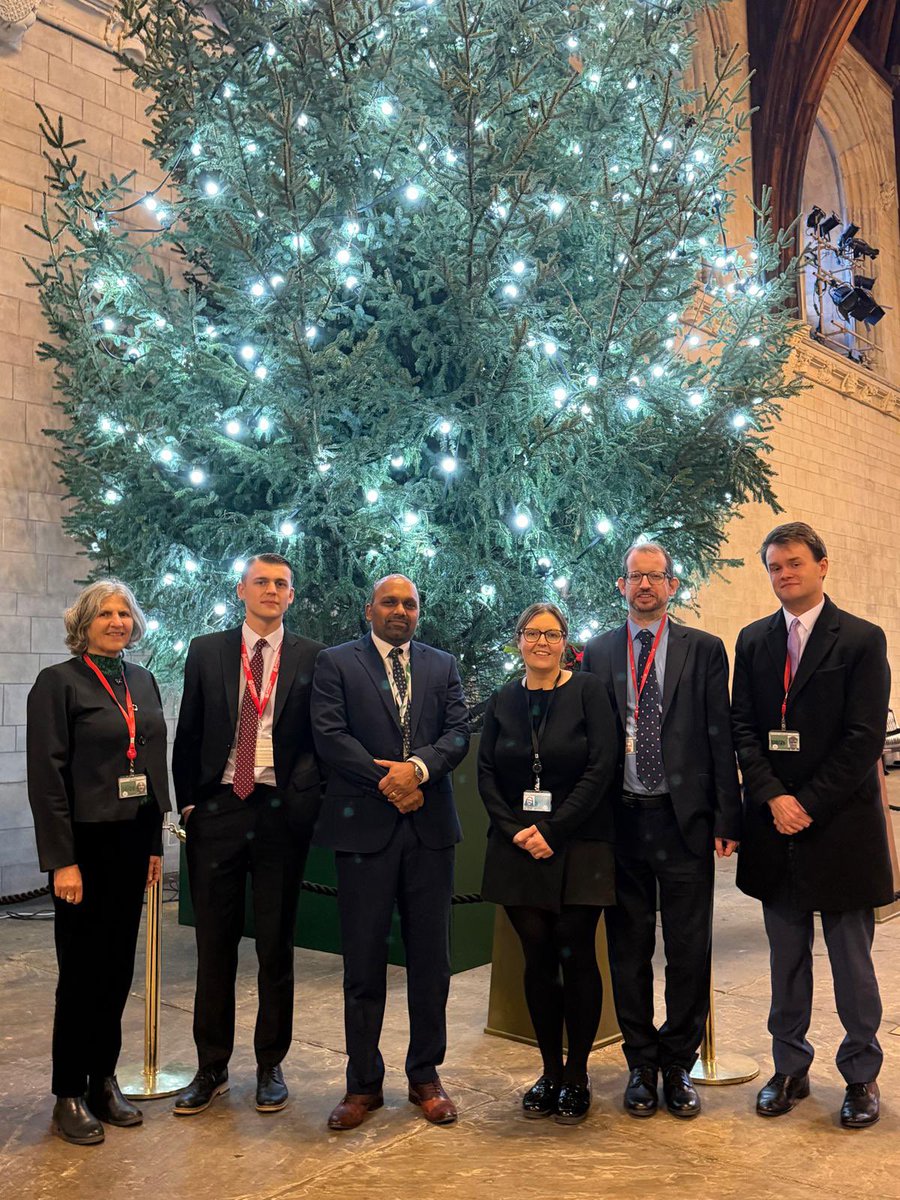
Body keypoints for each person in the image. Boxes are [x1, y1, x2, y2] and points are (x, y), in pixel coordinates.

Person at [732, 521, 892, 1129]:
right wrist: (774, 797)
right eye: (774, 567)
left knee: (852, 965)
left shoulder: (862, 639)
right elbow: (742, 726)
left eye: (794, 563)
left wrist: (807, 803)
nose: (784, 575)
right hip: (776, 830)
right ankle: (789, 1068)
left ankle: (860, 1074)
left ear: (822, 566)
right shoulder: (754, 640)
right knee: (786, 961)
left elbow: (863, 739)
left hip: (840, 827)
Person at [581, 542, 741, 1120]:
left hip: (684, 822)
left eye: (656, 576)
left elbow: (720, 734)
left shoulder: (705, 649)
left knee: (688, 950)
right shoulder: (598, 652)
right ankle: (640, 1065)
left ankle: (677, 1064)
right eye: (635, 576)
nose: (645, 585)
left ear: (673, 585)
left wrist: (727, 816)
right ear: (621, 586)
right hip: (620, 821)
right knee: (627, 949)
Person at [311, 574, 470, 1131]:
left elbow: (458, 732)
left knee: (432, 963)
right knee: (362, 962)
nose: (400, 610)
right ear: (369, 609)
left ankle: (426, 1075)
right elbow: (330, 735)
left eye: (409, 603)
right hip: (364, 831)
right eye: (389, 602)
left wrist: (418, 771)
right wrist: (391, 783)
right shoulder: (337, 663)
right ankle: (362, 1084)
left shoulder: (442, 665)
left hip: (430, 831)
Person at [171, 553, 324, 1116]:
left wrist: (307, 799)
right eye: (261, 581)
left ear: (291, 595)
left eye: (281, 583)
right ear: (241, 590)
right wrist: (190, 803)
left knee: (275, 945)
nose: (271, 590)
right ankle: (210, 1066)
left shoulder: (314, 656)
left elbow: (321, 738)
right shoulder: (206, 650)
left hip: (281, 813)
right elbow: (188, 731)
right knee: (214, 945)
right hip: (218, 810)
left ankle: (269, 1065)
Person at [26, 581, 171, 1146]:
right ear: (83, 623)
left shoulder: (142, 680)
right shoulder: (57, 682)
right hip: (83, 847)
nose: (116, 621)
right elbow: (47, 779)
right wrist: (62, 861)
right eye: (105, 613)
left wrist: (155, 843)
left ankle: (103, 1080)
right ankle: (68, 1091)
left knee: (116, 969)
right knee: (81, 972)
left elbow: (151, 764)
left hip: (132, 840)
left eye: (124, 613)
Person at [478, 603, 617, 1124]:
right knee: (537, 959)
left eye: (552, 634)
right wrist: (515, 830)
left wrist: (554, 830)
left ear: (565, 643)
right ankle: (550, 1071)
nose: (541, 642)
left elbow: (601, 766)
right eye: (532, 633)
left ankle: (577, 1073)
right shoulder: (502, 699)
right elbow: (486, 773)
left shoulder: (588, 691)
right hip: (517, 846)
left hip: (580, 843)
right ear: (518, 639)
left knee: (576, 956)